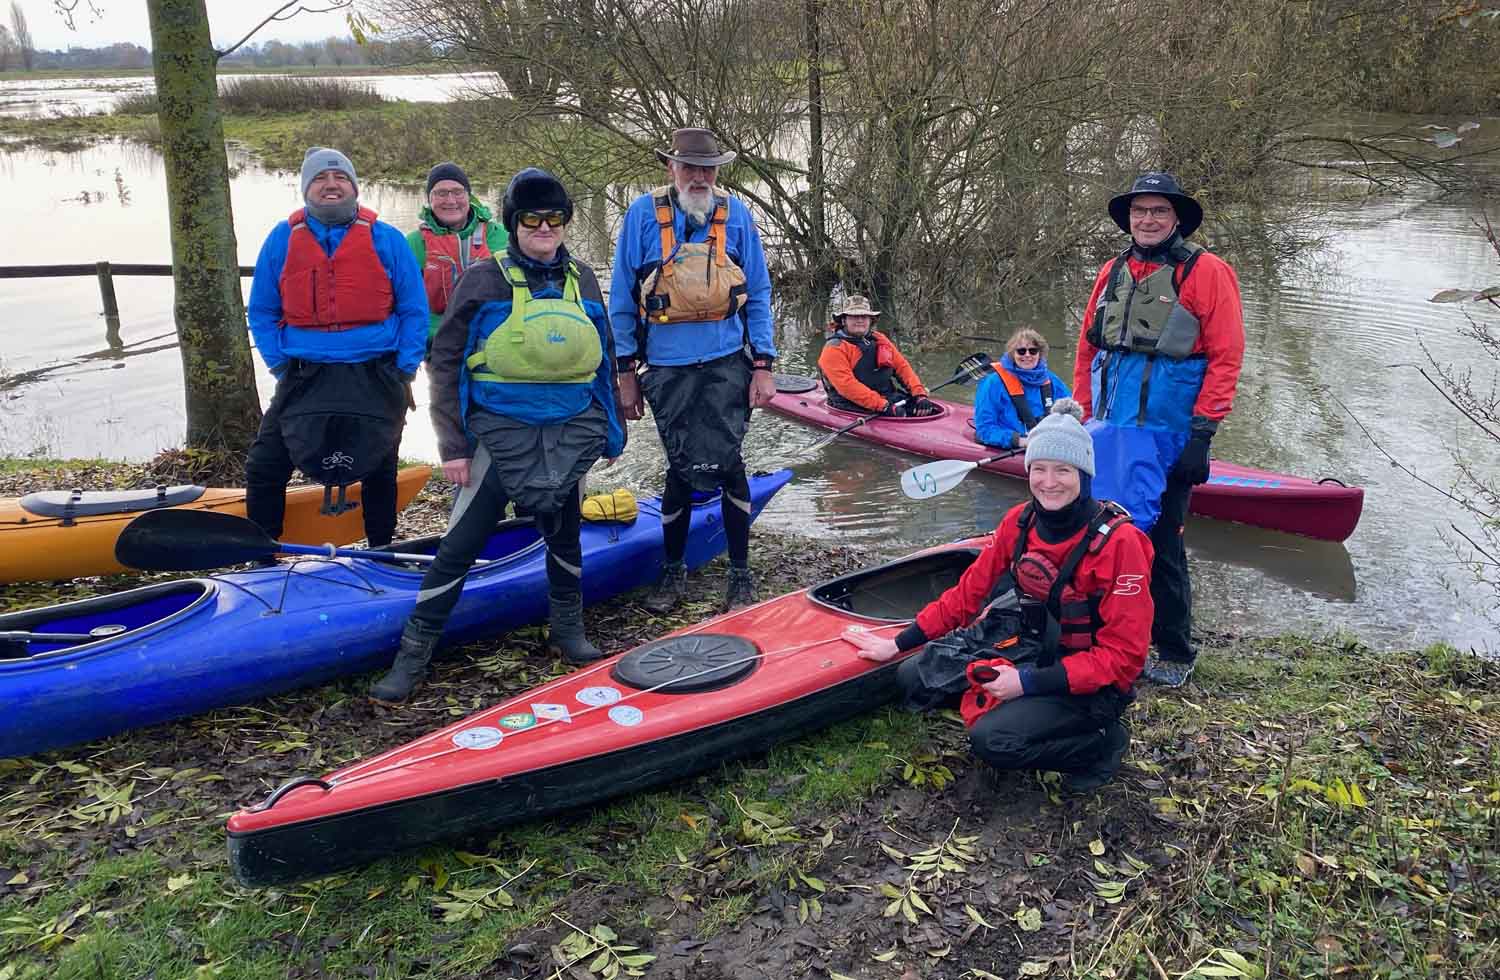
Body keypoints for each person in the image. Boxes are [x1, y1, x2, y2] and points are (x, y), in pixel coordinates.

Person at [369, 168, 626, 702]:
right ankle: (413, 654)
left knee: (565, 533)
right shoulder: (484, 279)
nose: (544, 227)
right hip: (495, 437)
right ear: (513, 223)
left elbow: (605, 357)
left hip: (568, 434)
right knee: (460, 545)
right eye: (531, 218)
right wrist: (454, 447)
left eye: (555, 218)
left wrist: (611, 430)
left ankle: (567, 630)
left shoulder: (582, 276)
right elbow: (446, 363)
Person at [845, 401, 1154, 793]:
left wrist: (1025, 684)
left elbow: (1125, 659)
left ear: (1084, 474)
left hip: (1092, 678)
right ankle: (1023, 706)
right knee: (914, 677)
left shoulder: (1122, 544)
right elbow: (967, 595)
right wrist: (899, 642)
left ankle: (1102, 745)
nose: (1049, 481)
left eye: (1063, 470)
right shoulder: (1019, 521)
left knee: (993, 742)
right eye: (1039, 468)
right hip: (1031, 645)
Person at [1073, 172, 1245, 688]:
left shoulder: (1208, 272)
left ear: (1175, 220)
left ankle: (1174, 648)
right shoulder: (1111, 271)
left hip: (1169, 434)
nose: (1147, 220)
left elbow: (1226, 357)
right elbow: (1088, 347)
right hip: (1107, 429)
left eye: (1158, 212)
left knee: (1162, 543)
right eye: (1139, 211)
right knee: (1101, 533)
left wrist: (1203, 435)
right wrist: (1080, 413)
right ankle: (1105, 634)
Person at [610, 127, 777, 614]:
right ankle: (673, 568)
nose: (699, 176)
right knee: (681, 465)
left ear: (718, 172)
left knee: (729, 464)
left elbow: (760, 293)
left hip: (728, 363)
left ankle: (740, 576)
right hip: (666, 367)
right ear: (671, 168)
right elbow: (622, 297)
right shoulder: (642, 215)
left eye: (708, 168)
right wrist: (624, 372)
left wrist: (763, 364)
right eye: (690, 167)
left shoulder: (737, 214)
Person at [245, 146, 427, 550]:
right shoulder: (282, 239)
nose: (331, 185)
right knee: (265, 465)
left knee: (380, 467)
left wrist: (405, 367)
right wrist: (278, 364)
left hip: (375, 373)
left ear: (354, 187)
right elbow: (261, 310)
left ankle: (381, 549)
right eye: (320, 179)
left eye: (340, 178)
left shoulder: (386, 239)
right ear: (306, 189)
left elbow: (415, 310)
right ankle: (262, 555)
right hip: (304, 374)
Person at [406, 161, 509, 347]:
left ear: (469, 196)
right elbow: (403, 303)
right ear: (430, 199)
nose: (451, 201)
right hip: (436, 345)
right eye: (441, 193)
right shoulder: (413, 243)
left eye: (458, 192)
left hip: (494, 341)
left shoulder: (501, 236)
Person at [817, 295, 938, 417]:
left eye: (864, 316)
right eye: (854, 316)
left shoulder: (879, 338)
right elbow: (847, 387)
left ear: (870, 320)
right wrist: (884, 406)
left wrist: (919, 394)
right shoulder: (834, 348)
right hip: (850, 404)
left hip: (886, 397)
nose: (859, 320)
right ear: (844, 320)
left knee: (923, 408)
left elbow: (902, 367)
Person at [973, 327, 1072, 450]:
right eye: (1021, 351)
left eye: (1033, 351)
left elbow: (1070, 416)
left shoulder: (1052, 380)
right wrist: (1019, 441)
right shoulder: (993, 383)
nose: (1027, 355)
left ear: (1039, 354)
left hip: (1046, 444)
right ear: (1012, 354)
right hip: (1015, 445)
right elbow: (984, 429)